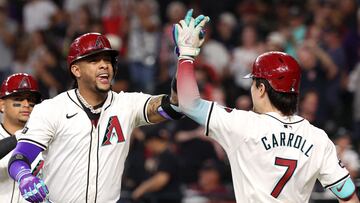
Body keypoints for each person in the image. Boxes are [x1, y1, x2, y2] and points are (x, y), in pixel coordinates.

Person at [172, 10, 360, 202]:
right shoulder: (318, 138)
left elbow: (189, 104)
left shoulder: (242, 124)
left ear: (261, 89)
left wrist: (186, 54)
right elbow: (347, 195)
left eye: (254, 83)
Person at [7, 32, 183, 203]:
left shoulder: (127, 104)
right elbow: (19, 157)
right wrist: (24, 177)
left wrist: (185, 60)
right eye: (94, 60)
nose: (104, 65)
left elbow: (175, 105)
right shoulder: (52, 109)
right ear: (76, 70)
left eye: (107, 59)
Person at [0, 73, 42, 202]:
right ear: (2, 105)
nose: (26, 104)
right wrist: (19, 136)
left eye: (31, 99)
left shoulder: (44, 140)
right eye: (18, 98)